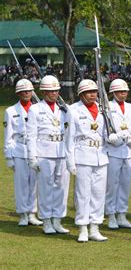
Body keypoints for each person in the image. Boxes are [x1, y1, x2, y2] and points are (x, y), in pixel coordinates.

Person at [26, 75, 71, 235]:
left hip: (61, 151)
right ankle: (46, 220)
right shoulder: (35, 109)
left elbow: (69, 131)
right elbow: (31, 135)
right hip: (44, 152)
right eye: (51, 91)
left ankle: (57, 219)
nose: (54, 93)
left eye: (56, 90)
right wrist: (33, 157)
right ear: (44, 92)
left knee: (62, 187)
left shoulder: (64, 108)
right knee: (46, 188)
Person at [65, 80, 109, 242]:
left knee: (98, 193)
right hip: (82, 155)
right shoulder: (73, 110)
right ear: (81, 94)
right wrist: (70, 161)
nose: (93, 95)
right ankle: (83, 227)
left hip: (101, 155)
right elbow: (69, 139)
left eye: (94, 92)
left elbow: (107, 131)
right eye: (89, 92)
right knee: (83, 194)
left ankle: (95, 227)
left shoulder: (103, 109)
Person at [105, 79, 131, 229]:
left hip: (128, 151)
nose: (123, 94)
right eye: (120, 92)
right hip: (113, 151)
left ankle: (122, 214)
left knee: (125, 184)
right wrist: (112, 137)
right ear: (113, 93)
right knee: (112, 184)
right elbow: (105, 130)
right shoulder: (107, 107)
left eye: (125, 91)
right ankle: (111, 215)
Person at [3, 79, 42, 227]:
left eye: (29, 91)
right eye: (23, 91)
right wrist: (9, 156)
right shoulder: (11, 111)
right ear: (18, 93)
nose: (27, 93)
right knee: (21, 184)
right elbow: (8, 136)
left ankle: (32, 213)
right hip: (19, 150)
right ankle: (23, 214)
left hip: (35, 149)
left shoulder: (38, 109)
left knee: (34, 183)